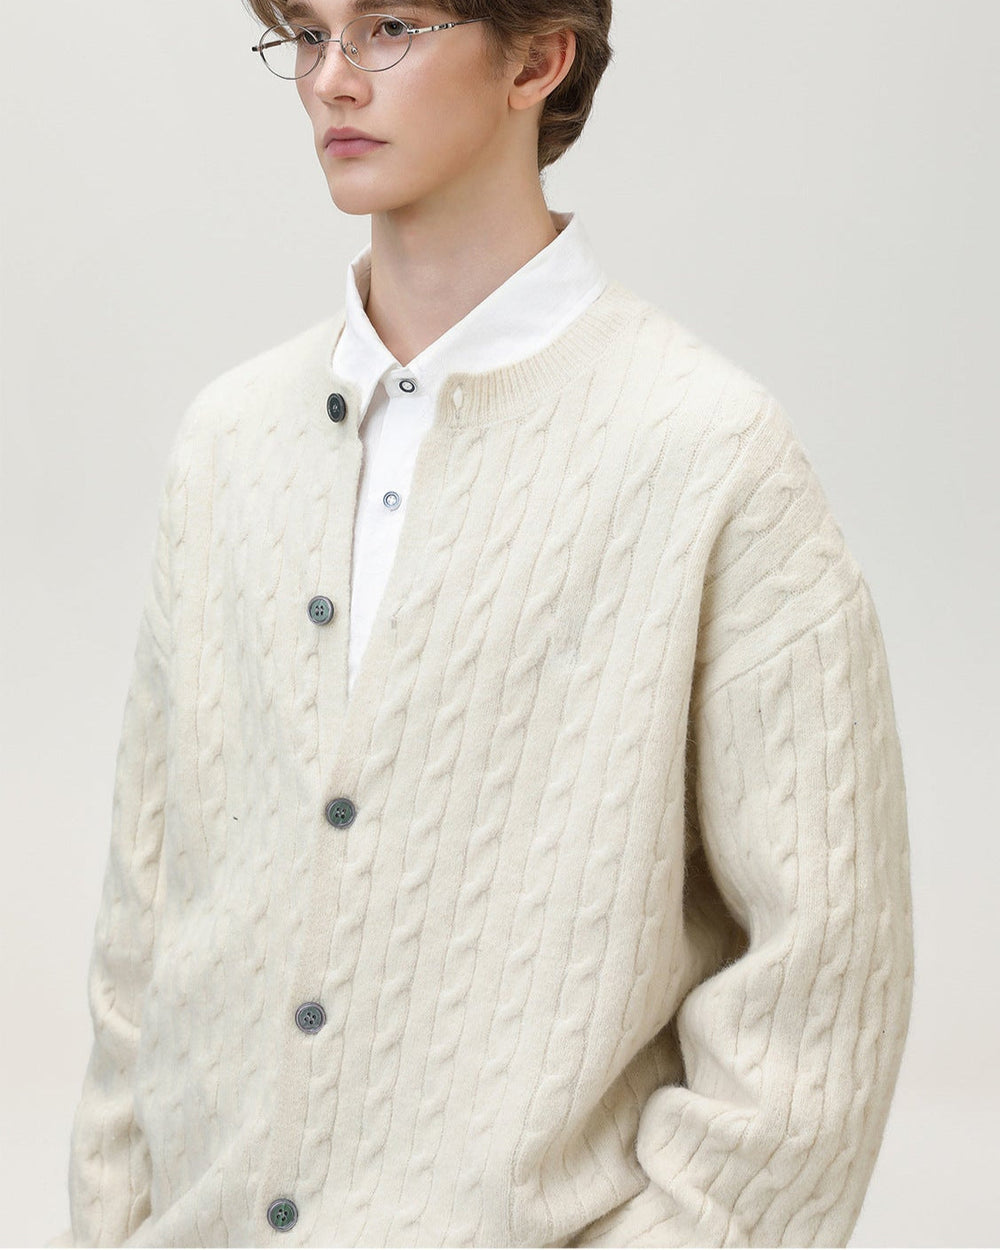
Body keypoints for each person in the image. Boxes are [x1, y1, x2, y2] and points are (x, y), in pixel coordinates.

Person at [52, 1, 915, 1246]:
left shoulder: (705, 453)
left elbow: (823, 971)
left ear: (537, 58)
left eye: (388, 27)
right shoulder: (227, 443)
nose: (332, 80)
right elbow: (144, 927)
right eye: (308, 34)